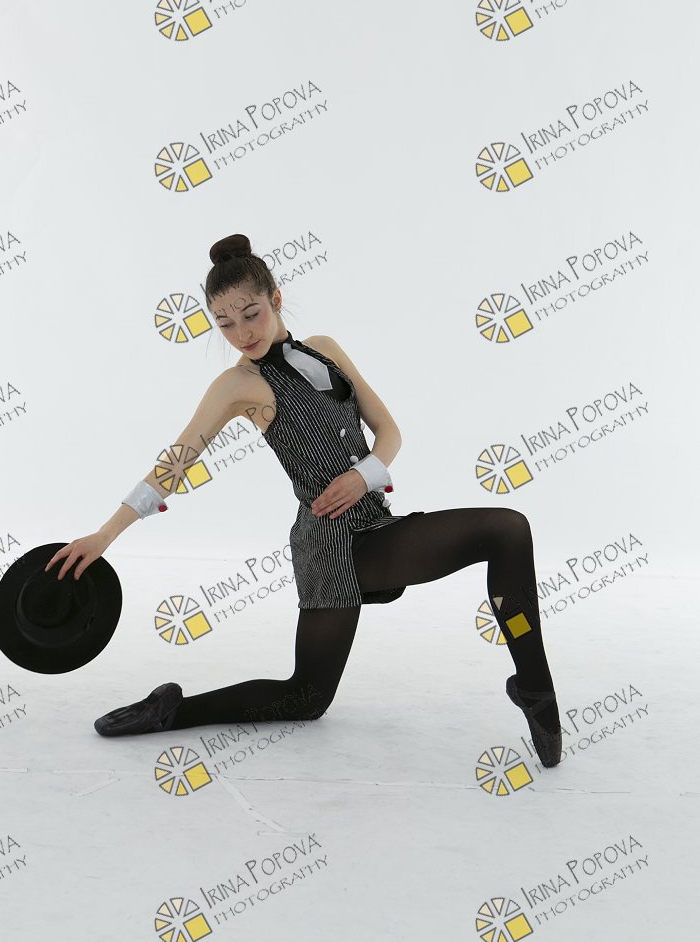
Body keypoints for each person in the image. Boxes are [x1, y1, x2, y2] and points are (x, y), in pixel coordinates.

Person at [45, 234, 563, 767]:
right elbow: (174, 464)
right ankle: (169, 711)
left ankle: (533, 683)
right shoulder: (237, 385)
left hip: (376, 524)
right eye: (225, 324)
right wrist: (105, 534)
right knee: (309, 694)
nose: (241, 334)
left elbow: (388, 431)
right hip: (330, 545)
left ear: (275, 298)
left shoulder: (325, 348)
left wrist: (363, 475)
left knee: (309, 694)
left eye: (250, 314)